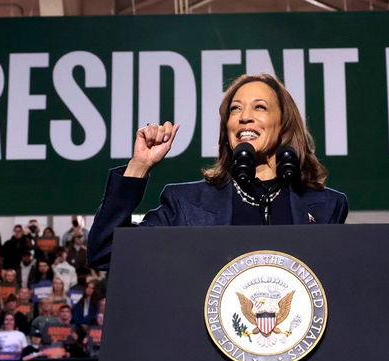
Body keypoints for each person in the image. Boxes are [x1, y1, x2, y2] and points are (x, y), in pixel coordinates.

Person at [88, 73, 348, 268]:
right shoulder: (187, 205)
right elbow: (107, 252)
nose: (244, 116)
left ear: (284, 124)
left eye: (260, 107)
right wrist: (139, 165)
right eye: (236, 108)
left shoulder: (326, 206)